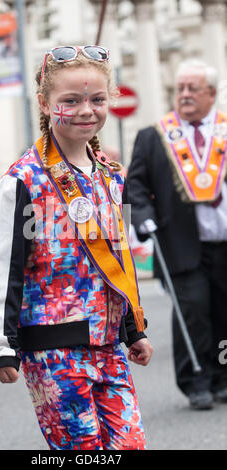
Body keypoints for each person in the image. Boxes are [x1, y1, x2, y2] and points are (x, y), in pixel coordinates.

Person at [0, 45, 153, 450]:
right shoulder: (22, 179)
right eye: (69, 101)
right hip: (52, 346)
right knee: (81, 450)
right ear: (44, 103)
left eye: (97, 99)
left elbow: (119, 257)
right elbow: (4, 265)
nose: (85, 110)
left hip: (108, 342)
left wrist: (133, 326)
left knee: (131, 445)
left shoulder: (113, 175)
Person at [127, 58, 227, 410]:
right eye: (179, 88)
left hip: (224, 242)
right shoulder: (153, 136)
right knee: (192, 310)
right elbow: (135, 186)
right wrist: (143, 217)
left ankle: (222, 375)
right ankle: (195, 381)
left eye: (191, 88)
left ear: (211, 93)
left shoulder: (225, 132)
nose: (183, 94)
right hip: (181, 242)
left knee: (223, 311)